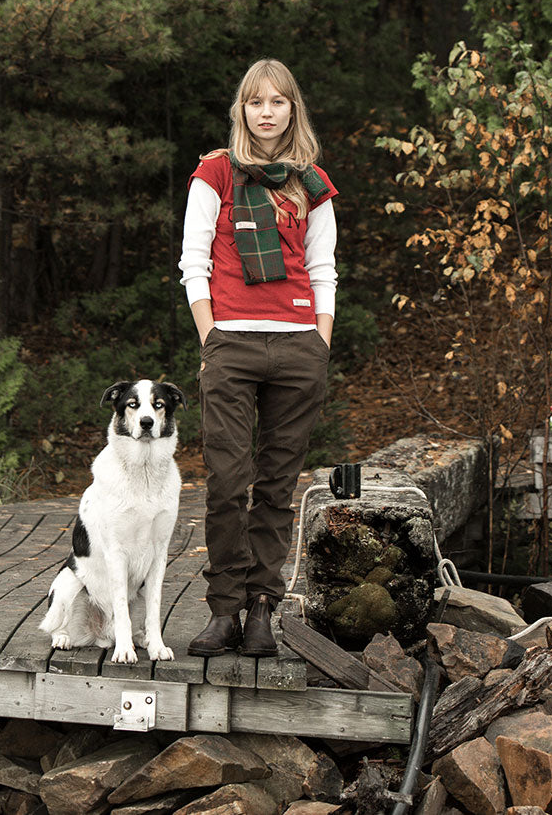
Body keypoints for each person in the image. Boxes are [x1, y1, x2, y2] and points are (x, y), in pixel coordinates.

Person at [178, 58, 338, 657]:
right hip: (232, 344)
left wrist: (320, 341)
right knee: (227, 482)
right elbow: (194, 263)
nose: (266, 112)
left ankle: (263, 609)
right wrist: (211, 337)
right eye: (255, 102)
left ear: (292, 109)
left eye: (277, 102)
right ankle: (224, 608)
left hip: (298, 346)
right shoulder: (214, 174)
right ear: (241, 110)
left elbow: (322, 269)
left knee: (276, 486)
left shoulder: (312, 183)